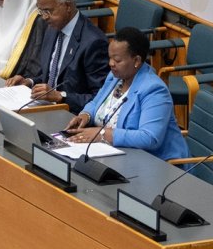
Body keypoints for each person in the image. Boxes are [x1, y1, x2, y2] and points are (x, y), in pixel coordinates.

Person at [63, 27, 187, 160]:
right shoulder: (114, 77)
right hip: (110, 153)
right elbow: (96, 103)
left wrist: (103, 134)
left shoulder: (154, 90)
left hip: (153, 163)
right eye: (110, 58)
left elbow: (150, 138)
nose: (111, 64)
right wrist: (85, 115)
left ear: (137, 61)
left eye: (117, 60)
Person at [5, 0, 108, 111]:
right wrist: (29, 82)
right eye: (41, 11)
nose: (44, 17)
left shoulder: (93, 42)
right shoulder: (52, 28)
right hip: (43, 106)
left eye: (48, 11)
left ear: (68, 7)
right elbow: (49, 76)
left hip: (71, 114)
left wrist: (61, 96)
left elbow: (101, 98)